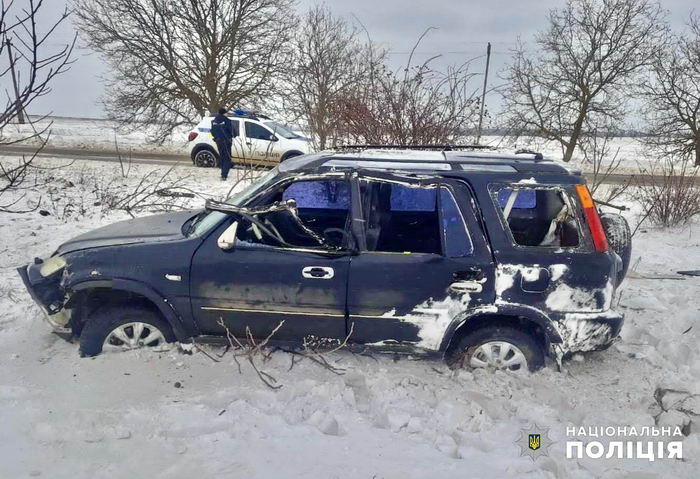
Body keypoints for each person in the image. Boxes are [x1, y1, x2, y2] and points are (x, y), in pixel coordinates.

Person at [210, 108, 234, 181]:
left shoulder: (214, 121)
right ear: (224, 113)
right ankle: (224, 175)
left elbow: (212, 131)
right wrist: (231, 137)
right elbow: (231, 131)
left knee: (222, 157)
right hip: (226, 142)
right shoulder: (227, 121)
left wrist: (216, 137)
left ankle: (222, 170)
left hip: (218, 141)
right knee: (227, 158)